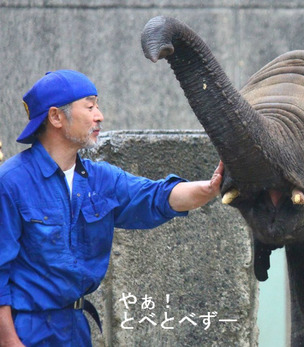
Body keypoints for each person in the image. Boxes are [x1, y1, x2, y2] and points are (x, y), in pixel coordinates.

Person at [0, 70, 224, 346]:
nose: (99, 116)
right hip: (26, 329)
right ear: (56, 117)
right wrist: (9, 340)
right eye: (90, 106)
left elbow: (155, 196)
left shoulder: (101, 179)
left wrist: (210, 188)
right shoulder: (11, 182)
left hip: (75, 328)